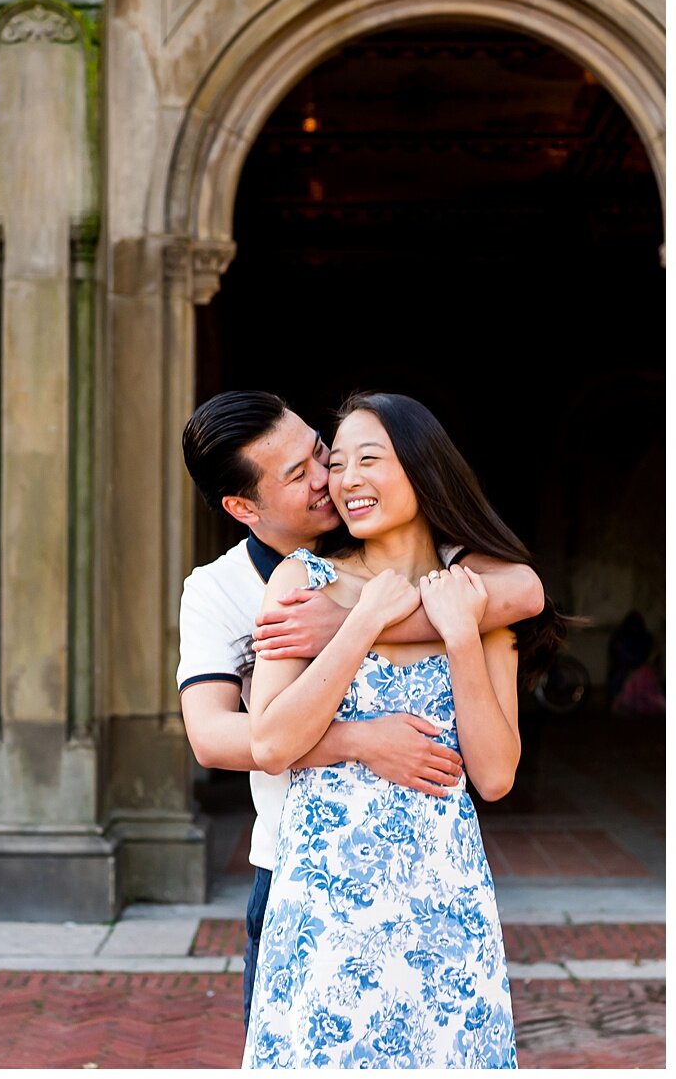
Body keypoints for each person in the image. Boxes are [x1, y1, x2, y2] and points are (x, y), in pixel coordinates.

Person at [178, 391, 544, 1030]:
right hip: (313, 885)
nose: (333, 480)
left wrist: (440, 625)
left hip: (445, 897)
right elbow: (230, 739)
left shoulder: (470, 584)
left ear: (421, 468)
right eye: (310, 472)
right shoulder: (260, 586)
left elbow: (496, 768)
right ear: (244, 507)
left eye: (329, 453)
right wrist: (361, 731)